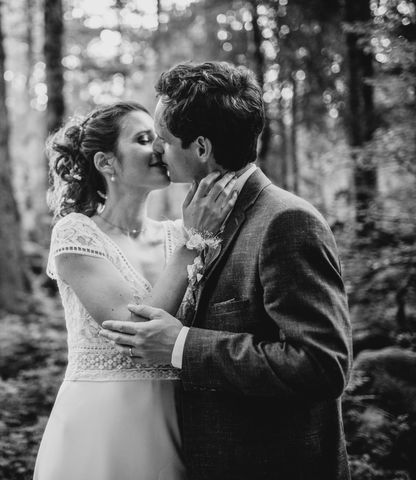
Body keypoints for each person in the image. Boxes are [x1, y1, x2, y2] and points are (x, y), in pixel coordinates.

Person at [100, 62, 353, 480]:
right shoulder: (199, 221)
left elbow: (321, 366)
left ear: (200, 148)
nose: (158, 149)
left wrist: (182, 345)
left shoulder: (285, 222)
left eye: (163, 138)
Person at [33, 100, 238, 480]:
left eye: (159, 138)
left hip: (180, 419)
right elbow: (134, 332)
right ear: (106, 163)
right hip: (102, 425)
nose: (160, 147)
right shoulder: (76, 233)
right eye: (144, 139)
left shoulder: (178, 233)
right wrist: (194, 243)